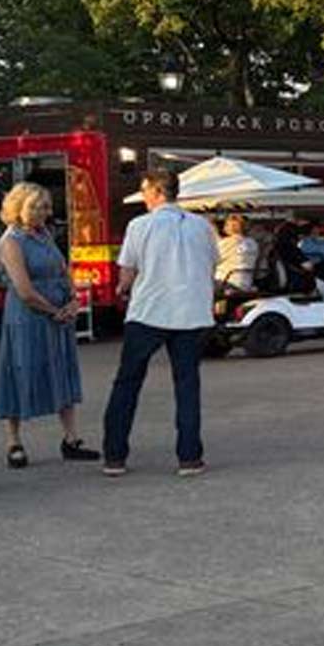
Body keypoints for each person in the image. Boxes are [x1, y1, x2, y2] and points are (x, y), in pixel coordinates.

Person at [102, 169, 219, 477]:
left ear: (156, 192)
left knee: (127, 382)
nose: (143, 197)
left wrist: (122, 288)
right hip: (191, 312)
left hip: (149, 311)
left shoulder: (139, 225)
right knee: (187, 384)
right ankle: (189, 457)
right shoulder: (202, 226)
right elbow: (211, 265)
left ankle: (115, 456)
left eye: (144, 191)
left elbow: (128, 271)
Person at [0, 182, 98, 468]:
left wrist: (73, 300)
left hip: (58, 315)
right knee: (19, 371)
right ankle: (14, 442)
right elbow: (24, 290)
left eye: (46, 207)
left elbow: (63, 271)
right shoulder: (10, 241)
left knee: (63, 370)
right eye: (39, 207)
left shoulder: (44, 235)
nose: (46, 212)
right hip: (28, 318)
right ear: (20, 208)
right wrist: (54, 311)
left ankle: (71, 439)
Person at [214, 215, 259, 298]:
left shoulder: (227, 242)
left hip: (228, 282)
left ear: (233, 227)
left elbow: (213, 258)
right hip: (246, 282)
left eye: (227, 225)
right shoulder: (253, 243)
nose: (224, 227)